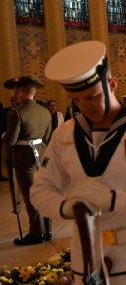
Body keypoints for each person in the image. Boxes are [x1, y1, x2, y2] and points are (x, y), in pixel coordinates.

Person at [33, 40, 126, 284]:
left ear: (112, 84)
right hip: (86, 254)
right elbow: (40, 190)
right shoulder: (64, 135)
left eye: (93, 96)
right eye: (78, 100)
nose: (86, 106)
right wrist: (65, 207)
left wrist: (115, 200)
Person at [3, 76, 52, 245]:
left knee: (31, 195)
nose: (15, 94)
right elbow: (46, 136)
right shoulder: (45, 111)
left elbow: (10, 140)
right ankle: (48, 230)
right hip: (43, 155)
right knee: (44, 192)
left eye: (15, 91)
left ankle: (37, 233)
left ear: (21, 92)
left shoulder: (16, 112)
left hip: (24, 158)